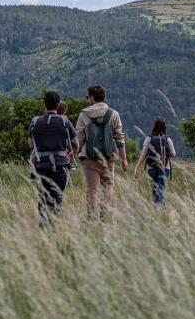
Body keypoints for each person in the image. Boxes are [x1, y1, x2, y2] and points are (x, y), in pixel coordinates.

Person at [76, 84, 127, 218]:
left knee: (92, 191)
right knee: (108, 187)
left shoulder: (84, 114)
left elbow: (79, 138)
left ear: (92, 97)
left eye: (88, 97)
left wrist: (74, 152)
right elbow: (119, 138)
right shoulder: (113, 114)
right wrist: (124, 159)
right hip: (108, 157)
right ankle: (105, 216)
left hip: (90, 157)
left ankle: (91, 218)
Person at [28, 91, 78, 224]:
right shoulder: (65, 121)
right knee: (56, 196)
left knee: (43, 196)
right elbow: (75, 144)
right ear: (58, 104)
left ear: (44, 104)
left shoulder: (35, 121)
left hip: (41, 166)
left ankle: (44, 223)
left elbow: (30, 144)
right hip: (60, 165)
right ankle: (51, 223)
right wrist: (69, 153)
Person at [134, 117, 176, 206]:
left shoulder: (149, 138)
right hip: (165, 168)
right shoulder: (168, 139)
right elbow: (173, 154)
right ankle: (158, 208)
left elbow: (143, 154)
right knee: (161, 188)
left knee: (154, 190)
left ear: (154, 126)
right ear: (164, 127)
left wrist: (137, 167)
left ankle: (158, 208)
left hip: (152, 168)